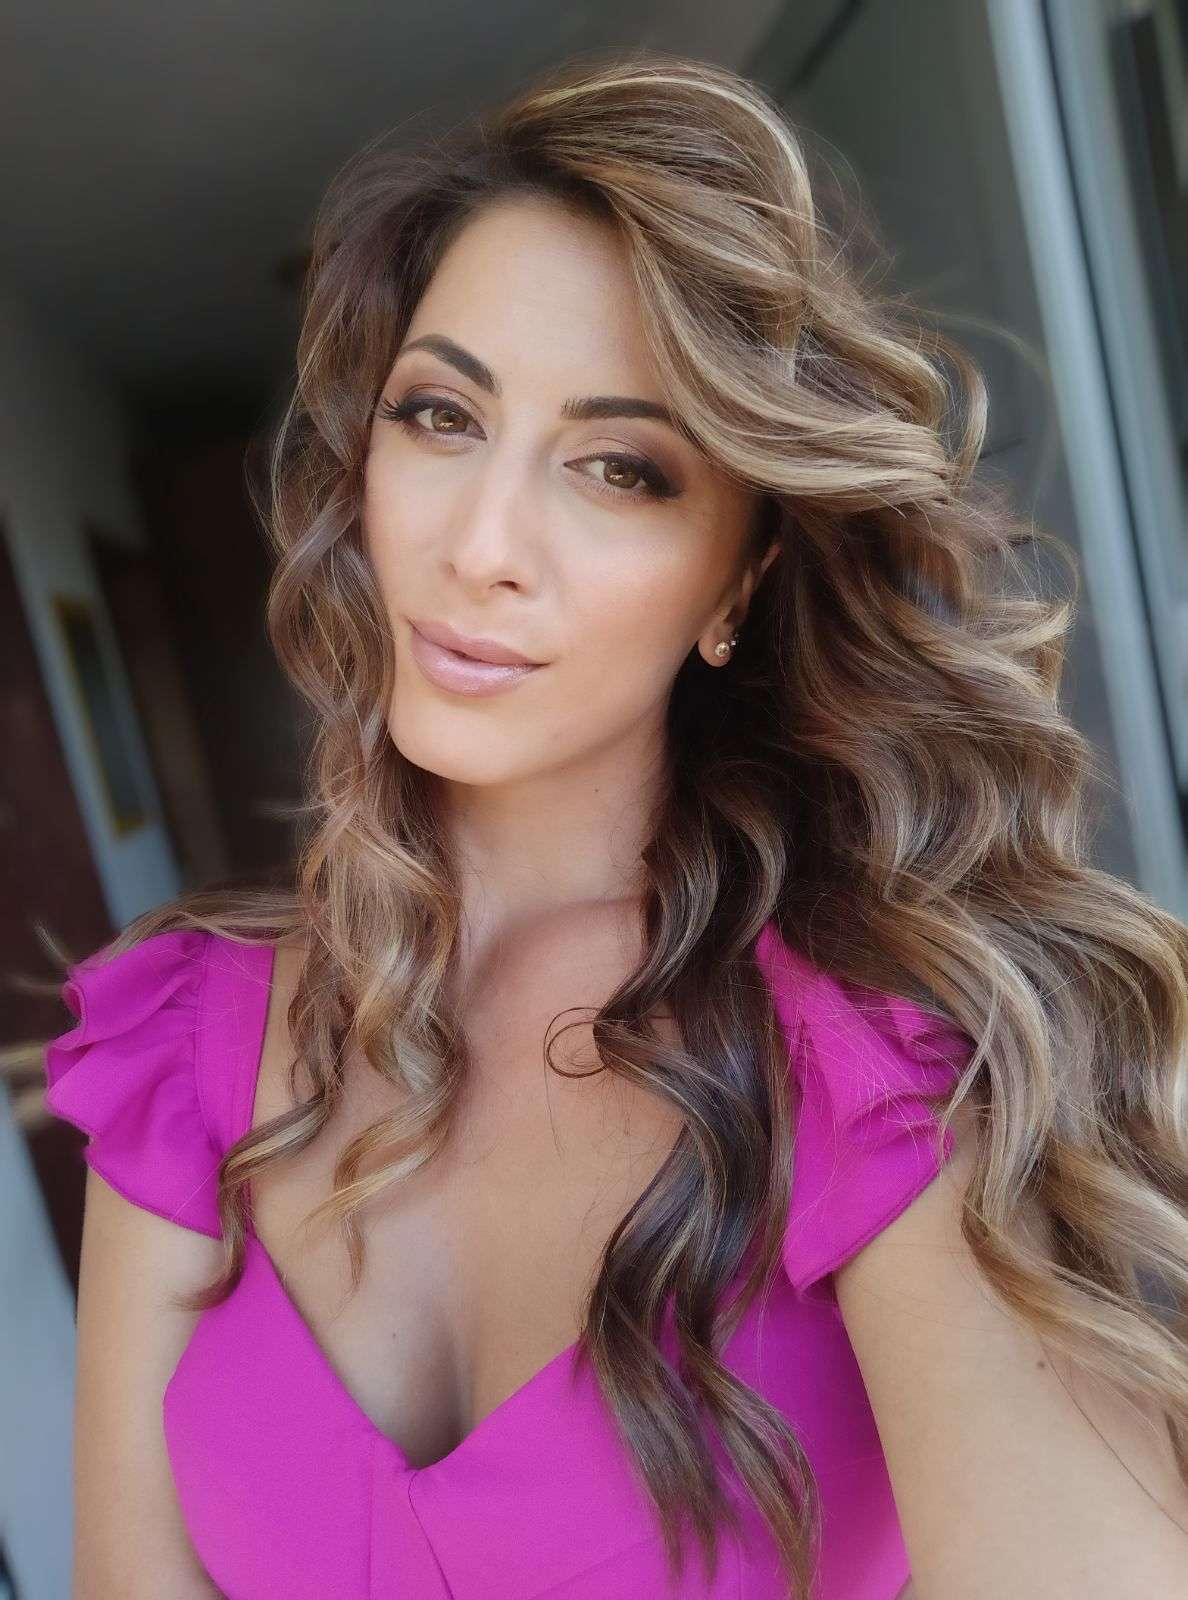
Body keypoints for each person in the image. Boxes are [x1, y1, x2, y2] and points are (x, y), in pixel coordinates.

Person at [40, 47, 1188, 1600]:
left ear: (738, 578)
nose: (481, 544)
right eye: (442, 415)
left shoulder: (890, 1048)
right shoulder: (181, 1043)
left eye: (619, 468)